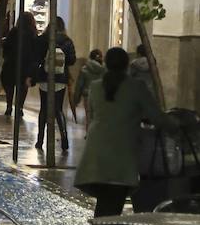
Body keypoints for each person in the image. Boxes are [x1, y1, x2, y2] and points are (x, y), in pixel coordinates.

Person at [74, 47, 178, 215]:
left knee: (105, 206)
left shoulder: (96, 87)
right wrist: (176, 126)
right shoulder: (136, 87)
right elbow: (157, 118)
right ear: (127, 65)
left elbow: (97, 114)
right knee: (112, 207)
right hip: (120, 157)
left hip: (95, 156)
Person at [34, 17, 76, 153]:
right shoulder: (67, 41)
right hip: (60, 79)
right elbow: (72, 60)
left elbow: (37, 58)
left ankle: (40, 140)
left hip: (45, 78)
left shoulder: (43, 39)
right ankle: (64, 140)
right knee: (58, 109)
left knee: (44, 108)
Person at [0, 11, 39, 116]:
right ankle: (20, 107)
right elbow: (35, 50)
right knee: (23, 87)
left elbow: (7, 46)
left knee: (9, 86)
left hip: (11, 63)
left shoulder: (14, 31)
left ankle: (9, 106)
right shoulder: (33, 33)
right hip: (26, 65)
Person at [72, 49, 104, 127]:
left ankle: (89, 134)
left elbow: (79, 86)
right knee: (99, 116)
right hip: (101, 95)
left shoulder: (84, 69)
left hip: (88, 95)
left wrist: (76, 100)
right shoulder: (104, 70)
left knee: (89, 115)